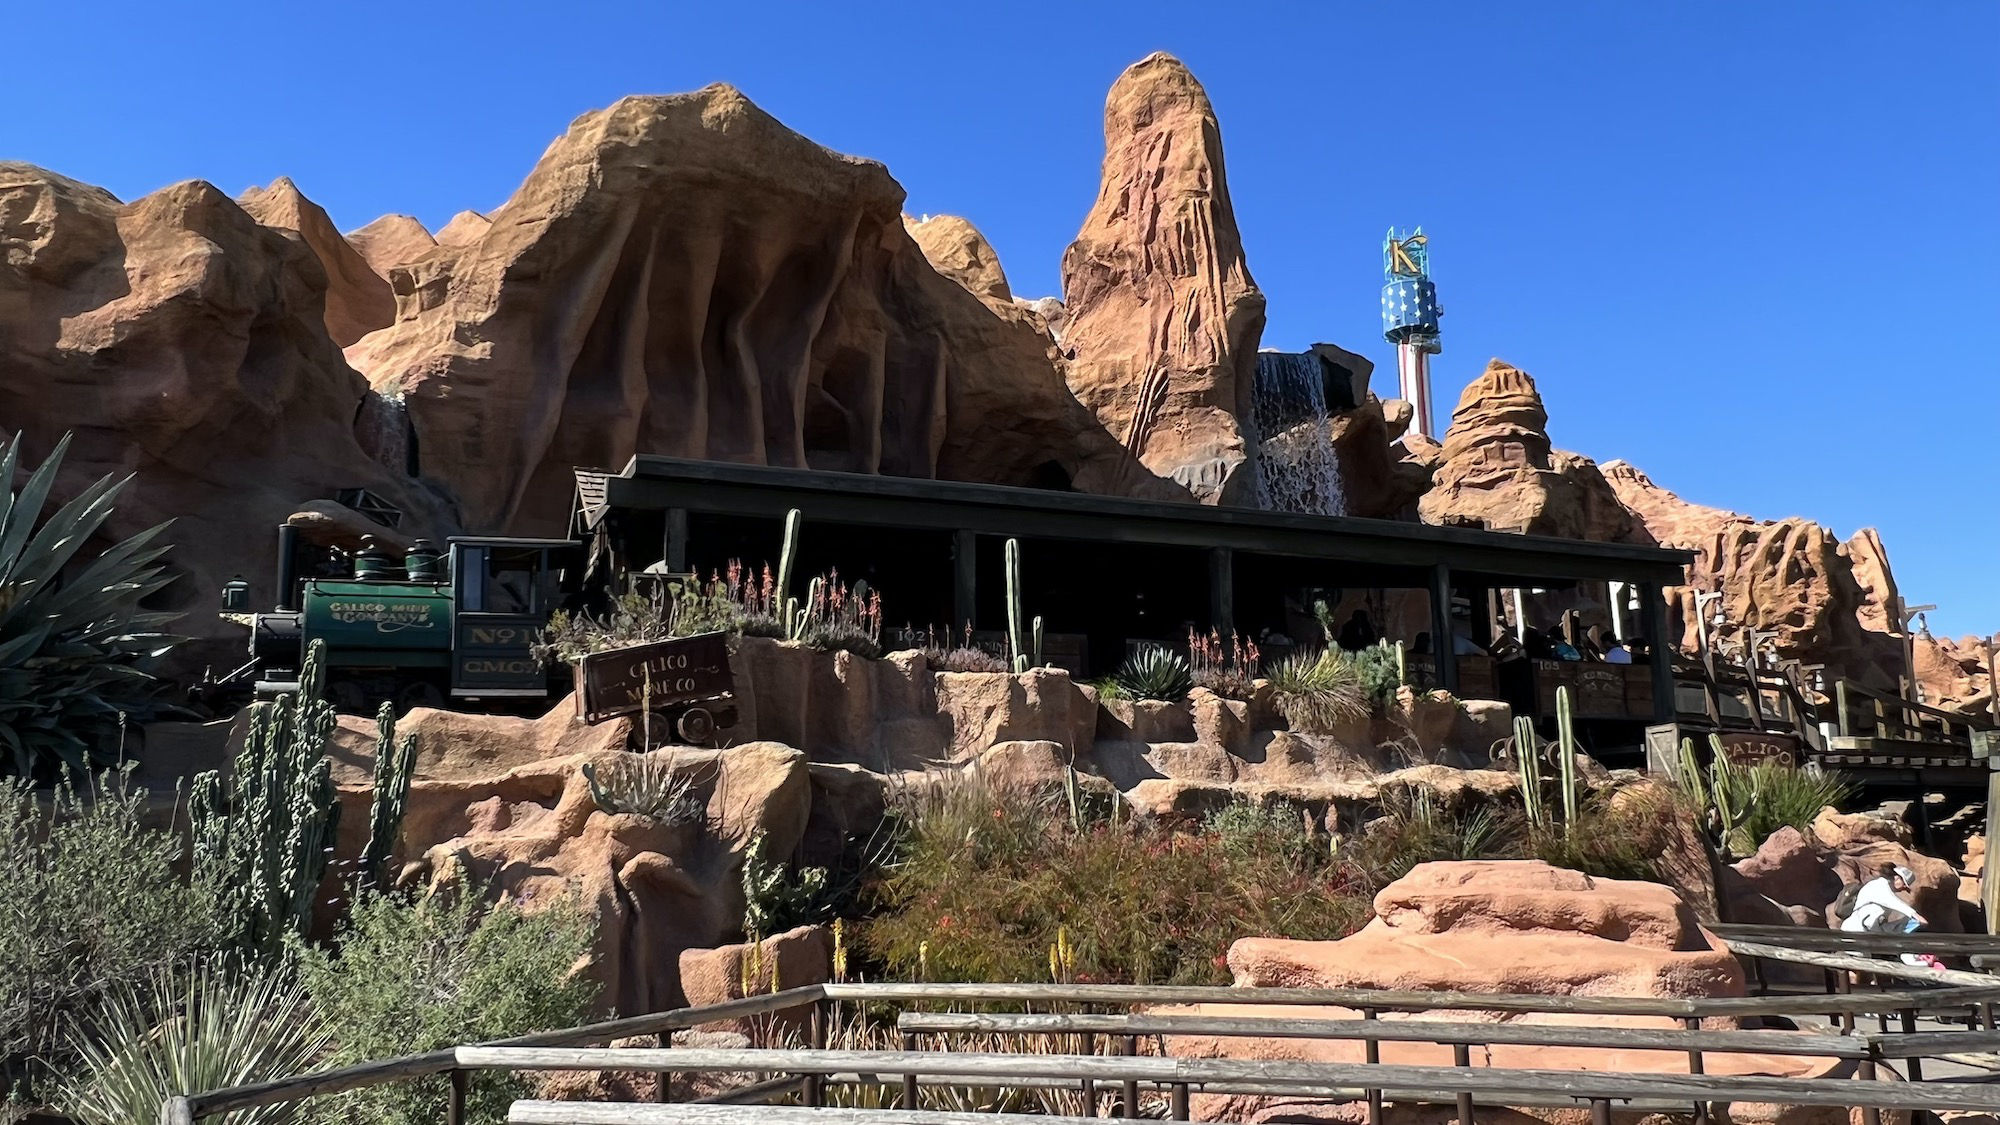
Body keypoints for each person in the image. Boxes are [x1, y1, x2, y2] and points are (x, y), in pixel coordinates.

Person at [1841, 863, 1926, 937]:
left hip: (1864, 934)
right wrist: (1916, 915)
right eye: (1904, 885)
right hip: (1855, 931)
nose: (1903, 889)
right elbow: (1894, 903)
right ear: (1897, 878)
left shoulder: (1884, 889)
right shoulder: (1879, 886)